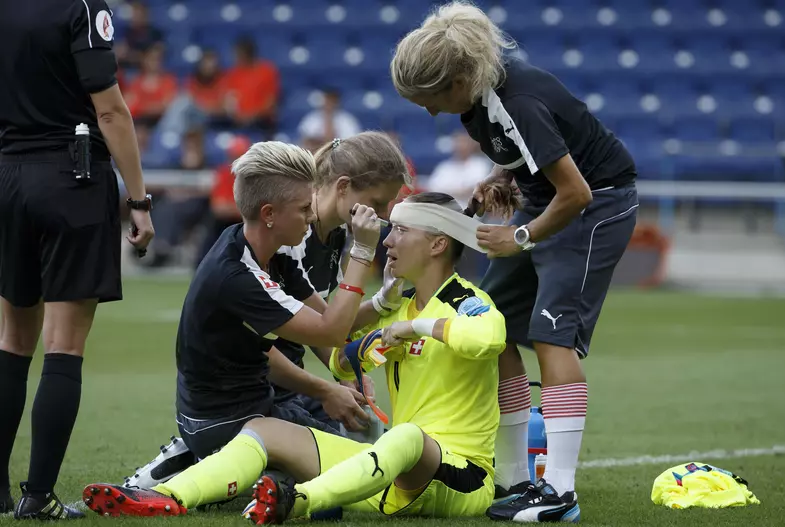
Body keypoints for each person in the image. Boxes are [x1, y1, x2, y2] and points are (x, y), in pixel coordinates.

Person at [80, 192, 508, 525]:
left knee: (407, 436)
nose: (388, 240)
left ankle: (299, 501)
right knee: (266, 429)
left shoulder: (464, 299)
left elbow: (489, 339)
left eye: (401, 231)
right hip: (396, 474)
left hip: (461, 479)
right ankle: (167, 498)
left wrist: (412, 329)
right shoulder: (401, 305)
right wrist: (382, 311)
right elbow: (343, 364)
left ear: (436, 244)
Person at [390, 1, 639, 522]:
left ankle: (560, 492)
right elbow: (528, 158)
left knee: (552, 335)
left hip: (595, 208)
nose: (430, 111)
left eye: (431, 99)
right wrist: (503, 179)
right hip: (545, 202)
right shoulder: (476, 98)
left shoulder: (517, 98)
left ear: (459, 78)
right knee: (493, 323)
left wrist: (519, 235)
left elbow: (578, 192)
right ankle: (512, 476)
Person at [124, 132, 411, 492]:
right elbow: (329, 330)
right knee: (352, 472)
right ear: (270, 214)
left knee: (355, 448)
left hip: (257, 397)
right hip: (231, 413)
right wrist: (363, 254)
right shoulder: (240, 275)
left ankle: (248, 467)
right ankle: (197, 467)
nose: (311, 217)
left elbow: (329, 320)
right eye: (304, 209)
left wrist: (345, 371)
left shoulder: (276, 246)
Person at [0, 0, 154, 520]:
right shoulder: (82, 5)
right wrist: (139, 200)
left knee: (11, 343)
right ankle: (38, 497)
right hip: (71, 175)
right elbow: (109, 109)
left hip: (8, 176)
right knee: (63, 346)